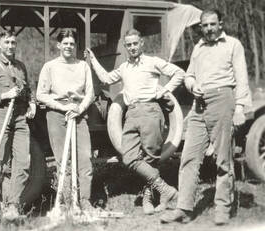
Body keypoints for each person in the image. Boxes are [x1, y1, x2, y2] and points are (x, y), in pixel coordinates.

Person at [160, 9, 252, 225]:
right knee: (189, 156)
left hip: (223, 99)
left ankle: (222, 207)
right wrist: (193, 86)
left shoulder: (233, 45)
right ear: (201, 27)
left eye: (212, 24)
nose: (209, 28)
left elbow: (241, 77)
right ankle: (184, 207)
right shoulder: (198, 48)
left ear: (220, 24)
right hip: (199, 105)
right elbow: (189, 75)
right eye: (205, 25)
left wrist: (239, 108)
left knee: (222, 159)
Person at [85, 28, 185, 215]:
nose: (132, 47)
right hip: (131, 114)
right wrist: (93, 61)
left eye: (135, 43)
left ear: (141, 44)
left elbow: (179, 73)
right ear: (126, 47)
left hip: (150, 111)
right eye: (128, 44)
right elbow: (106, 78)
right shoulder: (124, 68)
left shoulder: (153, 62)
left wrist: (164, 91)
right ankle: (166, 190)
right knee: (129, 156)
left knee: (150, 158)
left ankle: (149, 198)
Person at [0, 29, 36, 219]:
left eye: (13, 42)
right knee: (3, 163)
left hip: (20, 117)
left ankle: (12, 203)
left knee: (24, 162)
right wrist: (5, 95)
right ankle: (9, 207)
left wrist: (32, 103)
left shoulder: (20, 66)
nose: (11, 46)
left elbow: (28, 89)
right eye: (7, 42)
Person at [36, 29, 95, 211]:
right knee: (64, 160)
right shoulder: (50, 67)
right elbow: (40, 95)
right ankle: (70, 203)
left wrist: (78, 109)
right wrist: (63, 107)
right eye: (66, 43)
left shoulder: (83, 66)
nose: (69, 46)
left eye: (72, 44)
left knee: (85, 158)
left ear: (75, 46)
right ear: (59, 45)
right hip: (57, 114)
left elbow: (90, 94)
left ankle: (85, 201)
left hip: (79, 114)